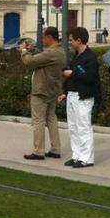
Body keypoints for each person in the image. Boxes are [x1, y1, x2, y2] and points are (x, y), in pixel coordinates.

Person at [20, 27, 66, 160]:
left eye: (43, 36)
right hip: (53, 91)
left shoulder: (51, 53)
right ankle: (55, 149)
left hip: (41, 91)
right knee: (51, 119)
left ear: (50, 37)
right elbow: (42, 58)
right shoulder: (60, 51)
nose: (42, 39)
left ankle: (38, 151)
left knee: (38, 121)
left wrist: (24, 51)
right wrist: (32, 50)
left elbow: (30, 62)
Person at [58, 27, 99, 168]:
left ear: (79, 40)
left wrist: (72, 73)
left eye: (71, 40)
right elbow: (71, 76)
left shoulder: (90, 57)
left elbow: (90, 77)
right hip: (72, 95)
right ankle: (76, 155)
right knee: (73, 127)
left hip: (84, 97)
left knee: (83, 127)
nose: (69, 42)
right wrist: (65, 92)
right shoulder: (76, 56)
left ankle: (86, 158)